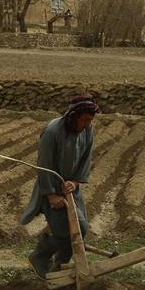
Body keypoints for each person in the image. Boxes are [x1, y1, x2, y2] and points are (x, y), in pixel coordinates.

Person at [21, 94, 99, 279]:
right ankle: (39, 256)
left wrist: (75, 182)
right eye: (85, 119)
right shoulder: (52, 132)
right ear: (74, 116)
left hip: (71, 188)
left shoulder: (87, 130)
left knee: (80, 230)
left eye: (90, 120)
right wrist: (51, 196)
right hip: (51, 188)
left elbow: (86, 158)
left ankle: (60, 268)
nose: (88, 123)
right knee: (66, 230)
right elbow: (44, 164)